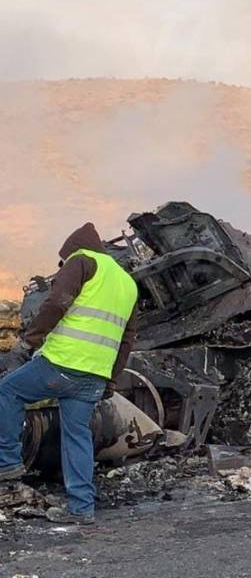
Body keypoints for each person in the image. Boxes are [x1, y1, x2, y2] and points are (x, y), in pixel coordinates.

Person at [0, 223, 139, 525]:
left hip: (62, 362)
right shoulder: (128, 283)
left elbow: (56, 303)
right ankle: (81, 508)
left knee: (8, 391)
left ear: (73, 249)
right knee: (77, 436)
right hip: (93, 375)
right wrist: (110, 380)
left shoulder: (81, 261)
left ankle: (8, 461)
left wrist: (28, 342)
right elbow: (128, 339)